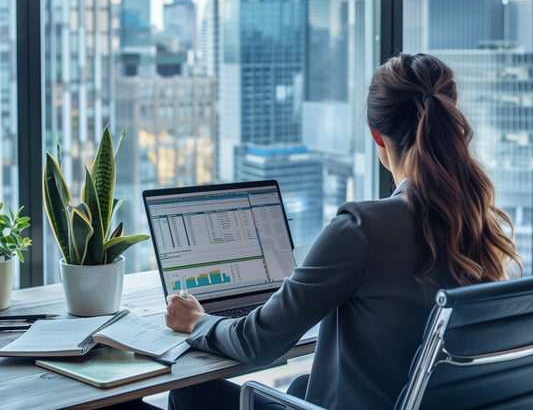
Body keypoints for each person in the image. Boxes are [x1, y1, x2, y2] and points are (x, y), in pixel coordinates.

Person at [164, 53, 522, 410]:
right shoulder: (481, 221)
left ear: (376, 135)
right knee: (304, 383)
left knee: (190, 395)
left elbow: (259, 343)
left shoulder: (365, 226)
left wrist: (197, 321)